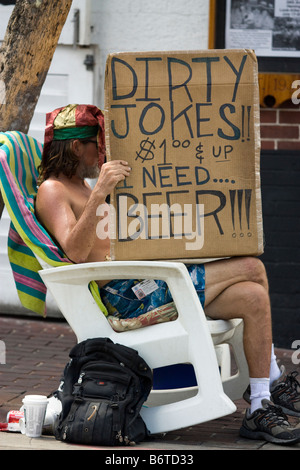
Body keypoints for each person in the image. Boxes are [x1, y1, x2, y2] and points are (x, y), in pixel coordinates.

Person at [35, 104, 300, 445]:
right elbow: (74, 251)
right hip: (130, 298)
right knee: (253, 266)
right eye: (97, 144)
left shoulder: (82, 186)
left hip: (149, 282)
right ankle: (273, 382)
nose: (102, 152)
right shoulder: (53, 190)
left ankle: (259, 404)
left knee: (253, 296)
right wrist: (101, 191)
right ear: (75, 146)